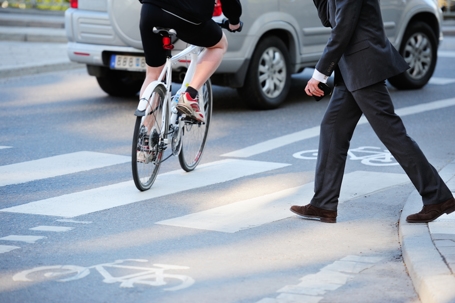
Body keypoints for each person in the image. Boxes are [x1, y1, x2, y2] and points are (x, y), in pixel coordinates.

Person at [290, 0, 455, 224]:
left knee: (393, 134)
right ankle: (323, 203)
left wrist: (319, 74)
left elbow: (342, 29)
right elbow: (329, 19)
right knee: (332, 128)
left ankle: (438, 197)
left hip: (364, 66)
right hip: (352, 70)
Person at [138, 0, 242, 123]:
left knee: (153, 75)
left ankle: (145, 136)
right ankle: (189, 95)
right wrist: (234, 21)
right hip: (187, 15)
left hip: (150, 9)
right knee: (220, 45)